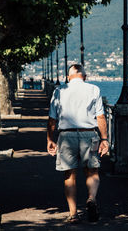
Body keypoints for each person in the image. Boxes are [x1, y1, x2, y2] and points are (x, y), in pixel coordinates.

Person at [46, 64, 109, 224]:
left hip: (66, 136)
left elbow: (52, 119)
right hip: (90, 135)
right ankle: (91, 198)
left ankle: (73, 214)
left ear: (68, 77)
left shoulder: (59, 91)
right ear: (85, 77)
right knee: (92, 171)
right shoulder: (94, 89)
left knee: (69, 175)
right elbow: (100, 117)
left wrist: (50, 139)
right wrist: (104, 139)